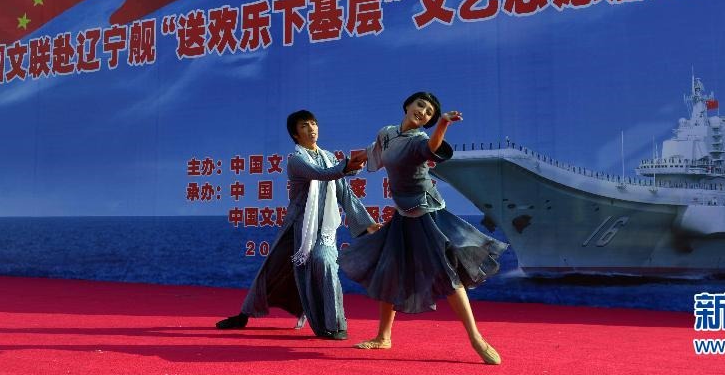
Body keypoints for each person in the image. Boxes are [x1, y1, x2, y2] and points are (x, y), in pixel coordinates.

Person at [338, 92, 507, 364]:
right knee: (390, 271)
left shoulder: (418, 141)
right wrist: (345, 165)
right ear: (408, 105)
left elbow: (432, 147)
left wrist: (443, 124)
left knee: (447, 275)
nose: (423, 112)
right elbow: (372, 153)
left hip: (426, 213)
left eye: (429, 112)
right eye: (420, 105)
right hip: (403, 215)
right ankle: (383, 337)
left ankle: (476, 338)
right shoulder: (387, 133)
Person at [216, 110, 380, 339]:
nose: (311, 128)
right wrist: (347, 166)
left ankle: (334, 325)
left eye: (313, 124)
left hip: (323, 229)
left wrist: (367, 224)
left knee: (324, 262)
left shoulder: (329, 157)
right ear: (295, 134)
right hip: (297, 228)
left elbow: (344, 191)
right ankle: (244, 315)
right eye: (304, 126)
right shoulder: (296, 161)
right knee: (271, 271)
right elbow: (322, 174)